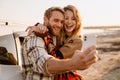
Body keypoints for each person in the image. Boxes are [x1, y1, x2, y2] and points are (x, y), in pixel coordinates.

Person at [21, 6, 97, 80]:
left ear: (78, 22)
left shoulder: (76, 41)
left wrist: (43, 32)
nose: (69, 22)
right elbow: (42, 63)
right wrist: (40, 26)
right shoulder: (55, 36)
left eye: (73, 19)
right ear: (46, 19)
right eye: (66, 19)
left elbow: (55, 56)